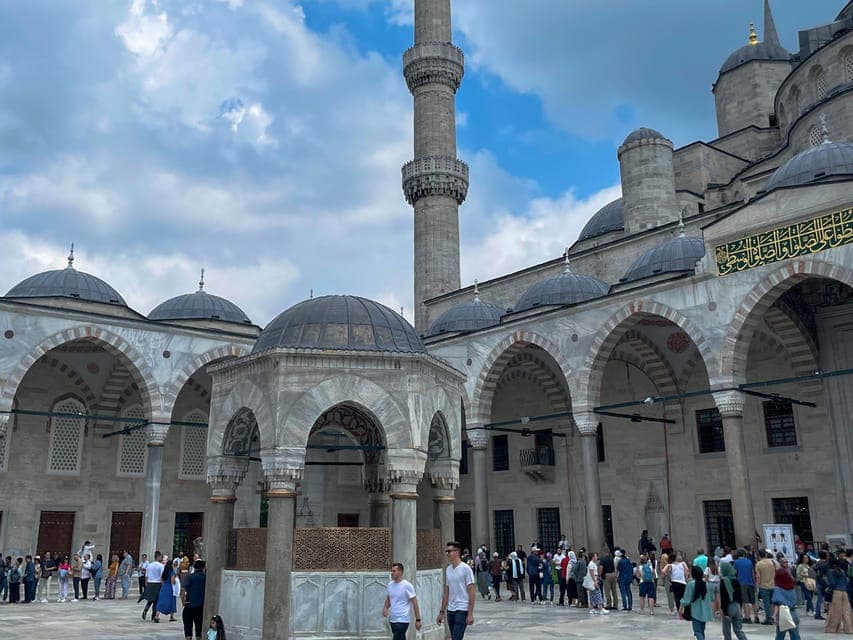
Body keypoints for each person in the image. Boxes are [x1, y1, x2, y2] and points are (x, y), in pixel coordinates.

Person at [436, 541, 475, 640]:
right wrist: (441, 612)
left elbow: (472, 592)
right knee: (454, 637)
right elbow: (447, 591)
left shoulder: (466, 569)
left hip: (462, 609)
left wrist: (470, 613)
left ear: (457, 552)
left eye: (449, 551)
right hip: (451, 610)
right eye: (446, 551)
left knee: (457, 637)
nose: (447, 554)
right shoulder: (448, 569)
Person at [383, 562, 422, 640]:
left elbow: (415, 603)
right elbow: (389, 599)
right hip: (393, 619)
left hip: (403, 620)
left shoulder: (407, 586)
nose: (392, 573)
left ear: (400, 572)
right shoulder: (390, 585)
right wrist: (385, 608)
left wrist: (418, 620)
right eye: (391, 571)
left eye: (394, 571)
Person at [681, 565, 714, 640]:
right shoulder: (707, 584)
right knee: (702, 630)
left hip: (695, 611)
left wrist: (682, 606)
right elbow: (712, 598)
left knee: (697, 631)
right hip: (705, 611)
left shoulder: (691, 584)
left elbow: (687, 599)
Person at [718, 560, 748, 640]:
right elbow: (740, 596)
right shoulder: (736, 580)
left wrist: (724, 612)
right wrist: (740, 608)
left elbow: (724, 598)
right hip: (737, 606)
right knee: (738, 630)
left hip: (729, 606)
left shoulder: (723, 581)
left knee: (727, 631)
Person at [771, 560, 800, 640]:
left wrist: (774, 615)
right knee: (795, 635)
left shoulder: (778, 589)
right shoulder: (792, 587)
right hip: (794, 612)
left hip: (783, 614)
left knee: (780, 636)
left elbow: (778, 604)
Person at [824, 556, 853, 633]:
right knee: (846, 611)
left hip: (836, 592)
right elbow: (847, 580)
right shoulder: (842, 570)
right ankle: (849, 629)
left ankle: (832, 628)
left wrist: (828, 588)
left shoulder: (830, 571)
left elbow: (832, 583)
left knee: (835, 611)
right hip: (844, 592)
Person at [181, 560, 207, 640]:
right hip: (200, 606)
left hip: (189, 605)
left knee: (188, 627)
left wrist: (183, 601)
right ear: (203, 568)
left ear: (194, 567)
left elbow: (183, 589)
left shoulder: (189, 577)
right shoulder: (206, 577)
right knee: (199, 628)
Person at [734, 549, 758, 623]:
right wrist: (754, 583)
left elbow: (735, 572)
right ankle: (756, 617)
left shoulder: (736, 562)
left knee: (745, 601)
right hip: (750, 582)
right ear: (744, 554)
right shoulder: (749, 561)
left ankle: (748, 617)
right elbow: (753, 573)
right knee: (753, 601)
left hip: (741, 583)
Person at [756, 549, 777, 625]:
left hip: (763, 586)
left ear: (759, 556)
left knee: (766, 603)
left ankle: (768, 618)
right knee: (772, 602)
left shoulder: (758, 564)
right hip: (773, 584)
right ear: (766, 554)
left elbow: (758, 576)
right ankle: (773, 617)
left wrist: (758, 585)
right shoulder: (772, 562)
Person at [142, 551, 164, 620]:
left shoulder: (149, 565)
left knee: (150, 599)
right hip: (157, 584)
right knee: (156, 600)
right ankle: (153, 615)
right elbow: (162, 576)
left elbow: (146, 576)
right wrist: (162, 585)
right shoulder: (161, 566)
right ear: (158, 557)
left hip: (150, 583)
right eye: (160, 557)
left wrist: (146, 585)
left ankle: (145, 610)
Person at [156, 557, 178, 622]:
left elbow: (161, 580)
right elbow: (172, 581)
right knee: (172, 601)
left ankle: (157, 616)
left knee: (161, 602)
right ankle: (171, 616)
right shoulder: (172, 571)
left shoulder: (164, 571)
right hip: (170, 588)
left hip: (164, 588)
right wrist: (176, 582)